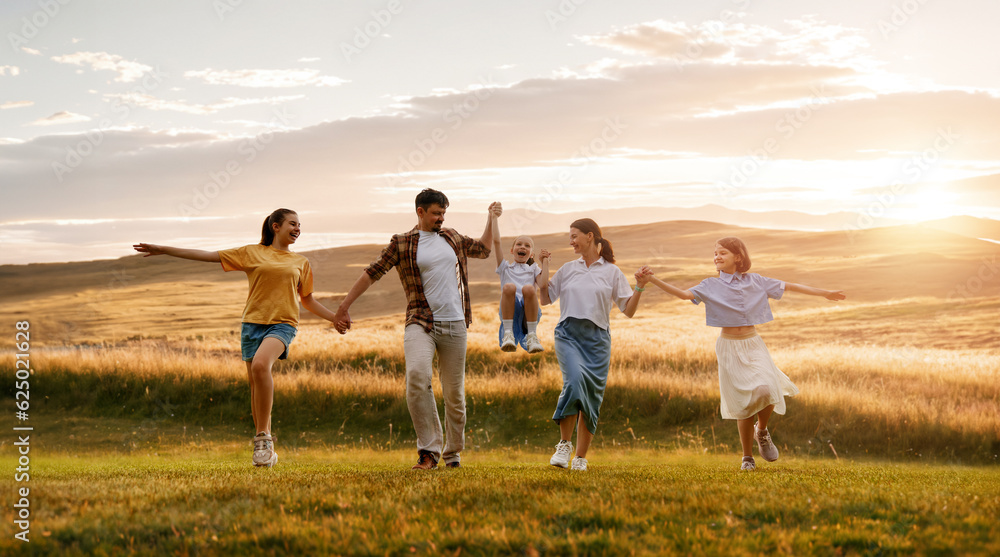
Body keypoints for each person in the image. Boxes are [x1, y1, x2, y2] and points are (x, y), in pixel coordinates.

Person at [133, 208, 339, 467]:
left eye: (299, 225)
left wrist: (334, 318)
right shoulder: (251, 253)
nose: (298, 229)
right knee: (255, 384)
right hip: (252, 325)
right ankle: (264, 450)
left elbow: (307, 300)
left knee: (262, 365)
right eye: (292, 224)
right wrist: (165, 249)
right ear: (276, 226)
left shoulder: (301, 262)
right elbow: (208, 255)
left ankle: (263, 437)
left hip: (282, 324)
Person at [639, 236, 846, 471]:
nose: (717, 257)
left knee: (768, 388)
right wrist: (652, 279)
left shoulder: (756, 281)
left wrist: (825, 293)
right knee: (742, 401)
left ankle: (762, 430)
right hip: (729, 347)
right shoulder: (709, 285)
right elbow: (684, 295)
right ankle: (747, 458)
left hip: (753, 343)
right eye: (715, 253)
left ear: (738, 257)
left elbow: (790, 286)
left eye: (722, 253)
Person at [334, 189, 498, 470]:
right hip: (420, 321)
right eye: (436, 213)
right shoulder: (402, 243)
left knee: (454, 394)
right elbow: (372, 272)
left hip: (455, 324)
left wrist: (491, 217)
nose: (441, 218)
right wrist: (343, 306)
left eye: (444, 213)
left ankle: (453, 453)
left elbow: (483, 249)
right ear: (420, 212)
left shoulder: (452, 237)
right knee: (417, 376)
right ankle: (428, 451)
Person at [538, 218, 647, 471]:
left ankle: (580, 458)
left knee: (591, 398)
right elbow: (545, 298)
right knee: (574, 382)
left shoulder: (611, 272)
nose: (571, 241)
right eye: (570, 236)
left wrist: (640, 287)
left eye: (574, 236)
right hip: (568, 334)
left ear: (590, 236)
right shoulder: (567, 269)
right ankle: (564, 445)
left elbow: (627, 310)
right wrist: (543, 265)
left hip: (597, 341)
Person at [492, 217, 548, 353]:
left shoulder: (533, 268)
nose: (523, 247)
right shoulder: (504, 267)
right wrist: (494, 218)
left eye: (527, 246)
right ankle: (508, 334)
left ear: (531, 254)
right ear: (512, 250)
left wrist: (545, 262)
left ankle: (532, 336)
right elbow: (497, 242)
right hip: (509, 310)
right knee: (509, 287)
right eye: (519, 244)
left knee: (528, 288)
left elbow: (543, 284)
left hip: (529, 311)